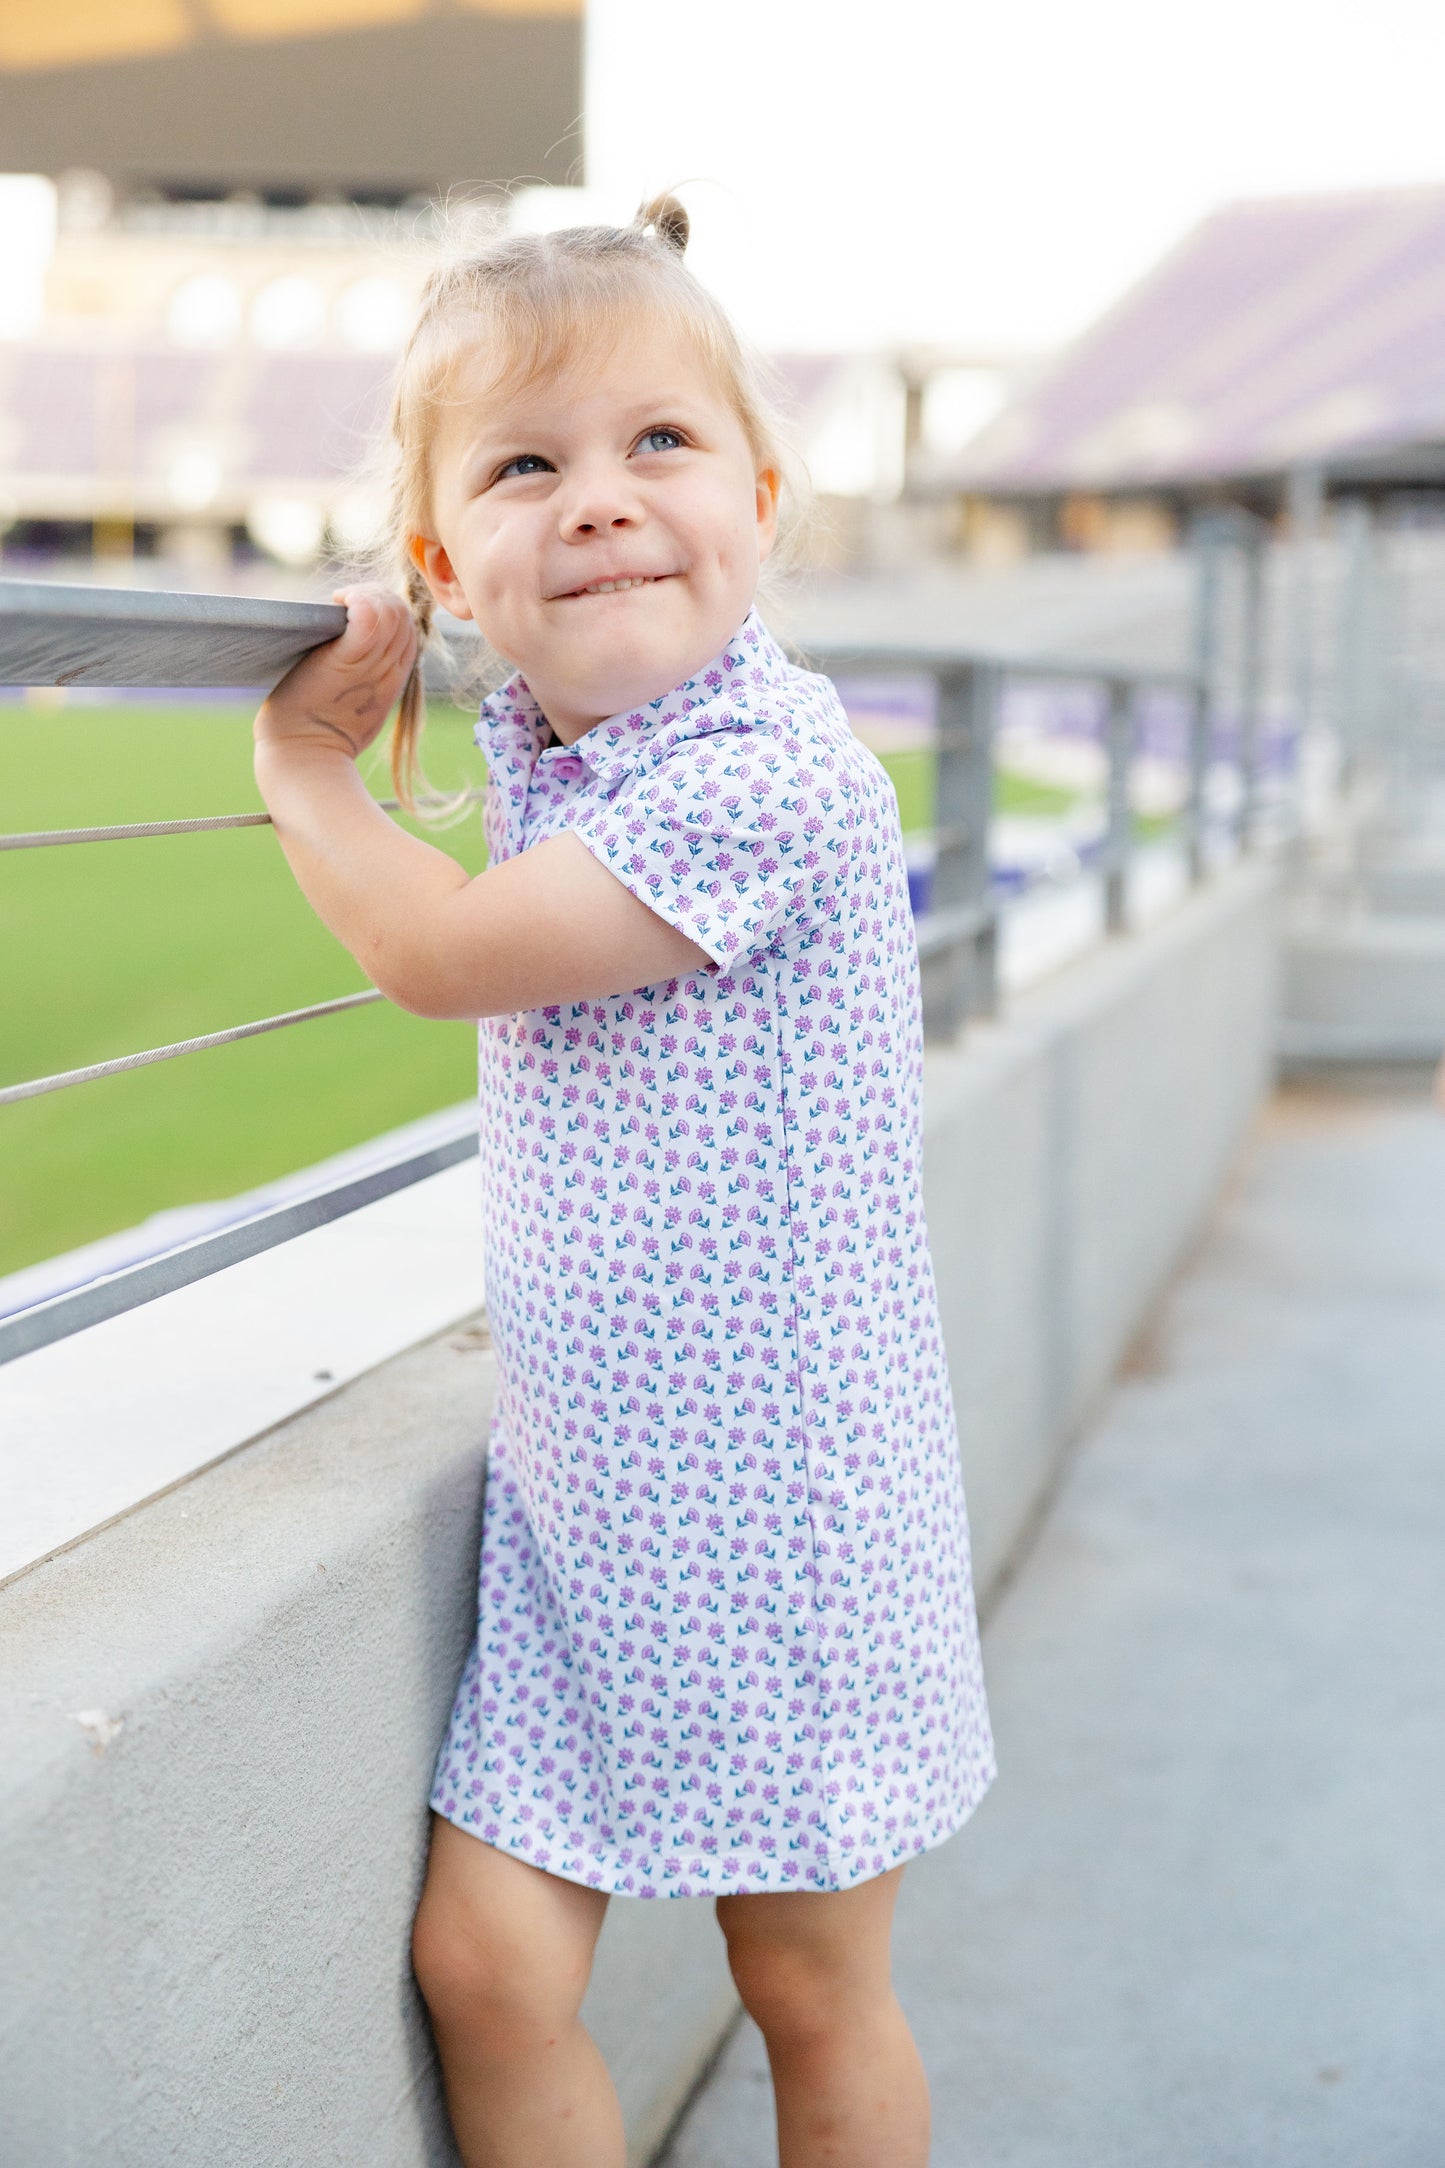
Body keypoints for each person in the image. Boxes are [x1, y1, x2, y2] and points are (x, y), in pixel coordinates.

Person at [253, 194, 995, 2168]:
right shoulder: (559, 746)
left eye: (659, 443)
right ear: (442, 566)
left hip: (790, 1530)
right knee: (490, 1966)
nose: (601, 502)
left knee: (810, 1993)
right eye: (527, 466)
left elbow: (440, 956)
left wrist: (307, 774)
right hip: (587, 1529)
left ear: (761, 494)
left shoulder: (773, 774)